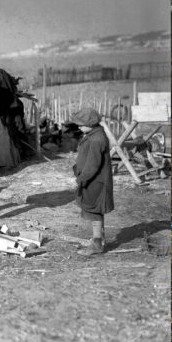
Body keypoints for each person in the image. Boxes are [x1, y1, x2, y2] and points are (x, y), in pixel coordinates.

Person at [71, 108, 114, 255]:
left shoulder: (96, 139)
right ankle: (99, 239)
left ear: (91, 124)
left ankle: (97, 244)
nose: (78, 126)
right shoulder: (93, 134)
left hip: (95, 181)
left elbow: (92, 165)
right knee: (94, 210)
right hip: (94, 180)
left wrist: (81, 180)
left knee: (94, 210)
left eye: (81, 124)